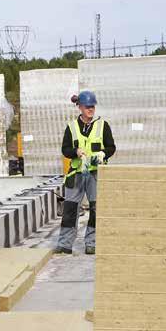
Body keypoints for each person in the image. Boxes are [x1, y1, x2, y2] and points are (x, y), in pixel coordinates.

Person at [57, 90, 116, 255]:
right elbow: (65, 149)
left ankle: (92, 243)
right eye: (88, 106)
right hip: (76, 173)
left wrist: (103, 153)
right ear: (80, 107)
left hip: (95, 174)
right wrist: (75, 151)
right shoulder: (72, 127)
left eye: (93, 106)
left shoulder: (103, 125)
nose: (91, 109)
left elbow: (111, 147)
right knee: (70, 209)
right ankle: (65, 244)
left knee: (96, 209)